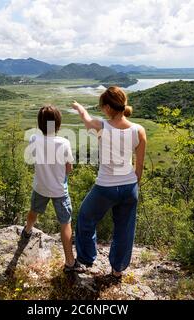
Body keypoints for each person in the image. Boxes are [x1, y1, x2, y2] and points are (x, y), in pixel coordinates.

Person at [71, 86, 147, 280]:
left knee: (86, 218)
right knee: (124, 229)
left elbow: (85, 118)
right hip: (130, 187)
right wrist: (131, 183)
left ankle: (87, 259)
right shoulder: (139, 130)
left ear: (107, 107)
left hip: (105, 188)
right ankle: (117, 269)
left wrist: (79, 107)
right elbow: (139, 166)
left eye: (102, 106)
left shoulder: (101, 126)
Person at [22, 105, 85, 273]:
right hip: (59, 190)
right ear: (57, 123)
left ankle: (27, 231)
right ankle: (70, 262)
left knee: (34, 210)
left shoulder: (34, 139)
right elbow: (69, 168)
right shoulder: (64, 142)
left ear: (40, 123)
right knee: (65, 223)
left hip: (40, 186)